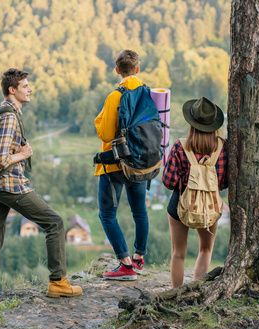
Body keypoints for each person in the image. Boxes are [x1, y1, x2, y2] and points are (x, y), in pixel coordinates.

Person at [0, 68, 82, 308]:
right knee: (54, 222)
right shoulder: (8, 116)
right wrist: (23, 154)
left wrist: (18, 153)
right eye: (25, 86)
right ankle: (57, 282)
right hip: (9, 185)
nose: (30, 89)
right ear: (12, 90)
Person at [162, 96, 228, 288]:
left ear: (191, 123)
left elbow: (168, 182)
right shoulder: (223, 148)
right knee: (206, 249)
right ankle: (196, 291)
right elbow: (223, 182)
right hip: (210, 207)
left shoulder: (180, 147)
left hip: (180, 205)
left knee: (178, 253)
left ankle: (176, 294)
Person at [94, 50, 149, 281]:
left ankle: (125, 265)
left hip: (116, 164)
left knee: (107, 214)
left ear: (117, 70)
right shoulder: (147, 92)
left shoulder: (114, 96)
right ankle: (138, 258)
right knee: (140, 212)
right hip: (141, 162)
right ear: (137, 69)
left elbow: (105, 133)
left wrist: (99, 121)